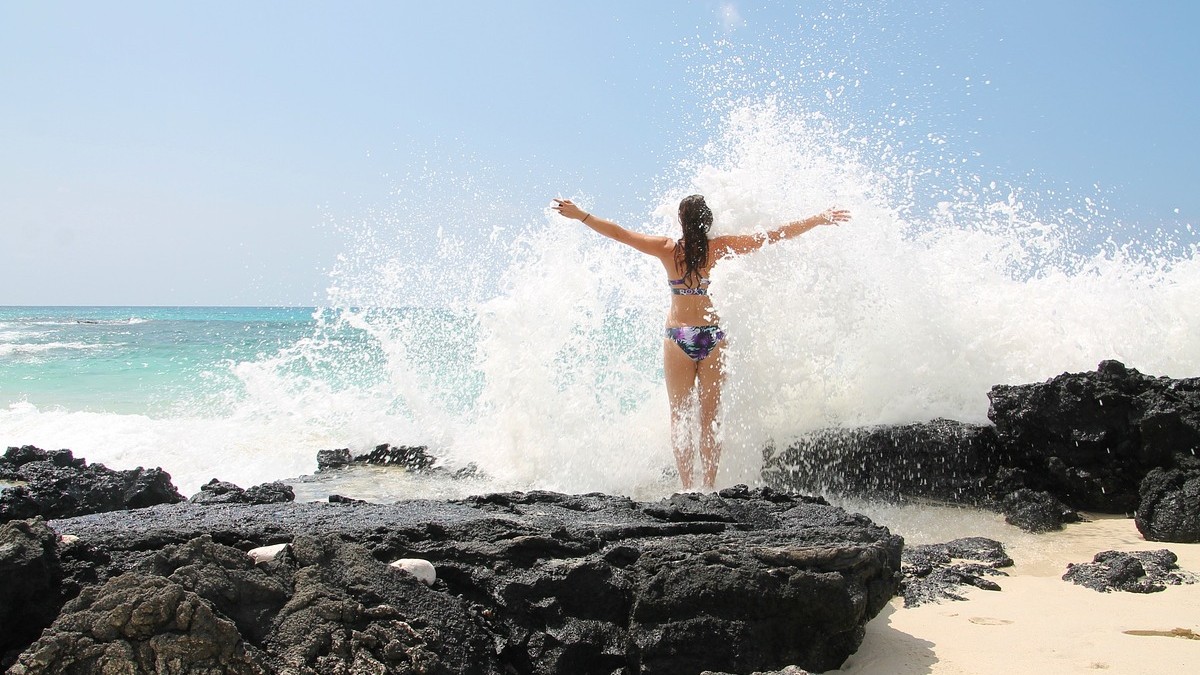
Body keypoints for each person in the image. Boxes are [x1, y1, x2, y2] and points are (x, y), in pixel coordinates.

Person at [552, 195, 850, 490]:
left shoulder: (667, 249)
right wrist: (818, 219)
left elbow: (620, 233)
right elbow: (770, 237)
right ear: (706, 220)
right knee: (710, 418)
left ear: (681, 220)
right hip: (712, 336)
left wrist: (581, 215)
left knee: (680, 417)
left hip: (678, 337)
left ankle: (686, 487)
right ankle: (708, 485)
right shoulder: (718, 248)